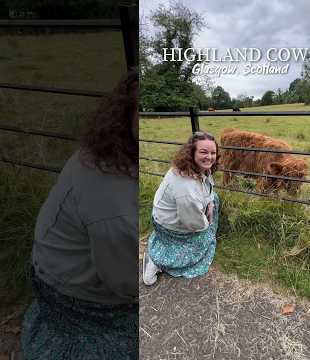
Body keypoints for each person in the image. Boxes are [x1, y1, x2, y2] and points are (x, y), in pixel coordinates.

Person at [21, 71, 139, 359]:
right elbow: (127, 284)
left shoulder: (109, 150)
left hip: (54, 268)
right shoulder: (117, 207)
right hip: (75, 296)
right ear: (128, 112)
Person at [142, 131, 221, 285]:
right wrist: (207, 226)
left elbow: (208, 188)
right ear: (192, 153)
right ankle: (157, 261)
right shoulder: (186, 188)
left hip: (175, 215)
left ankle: (163, 250)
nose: (209, 157)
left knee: (215, 199)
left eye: (213, 153)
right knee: (204, 242)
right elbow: (192, 223)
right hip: (171, 224)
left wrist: (210, 203)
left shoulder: (195, 167)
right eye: (203, 152)